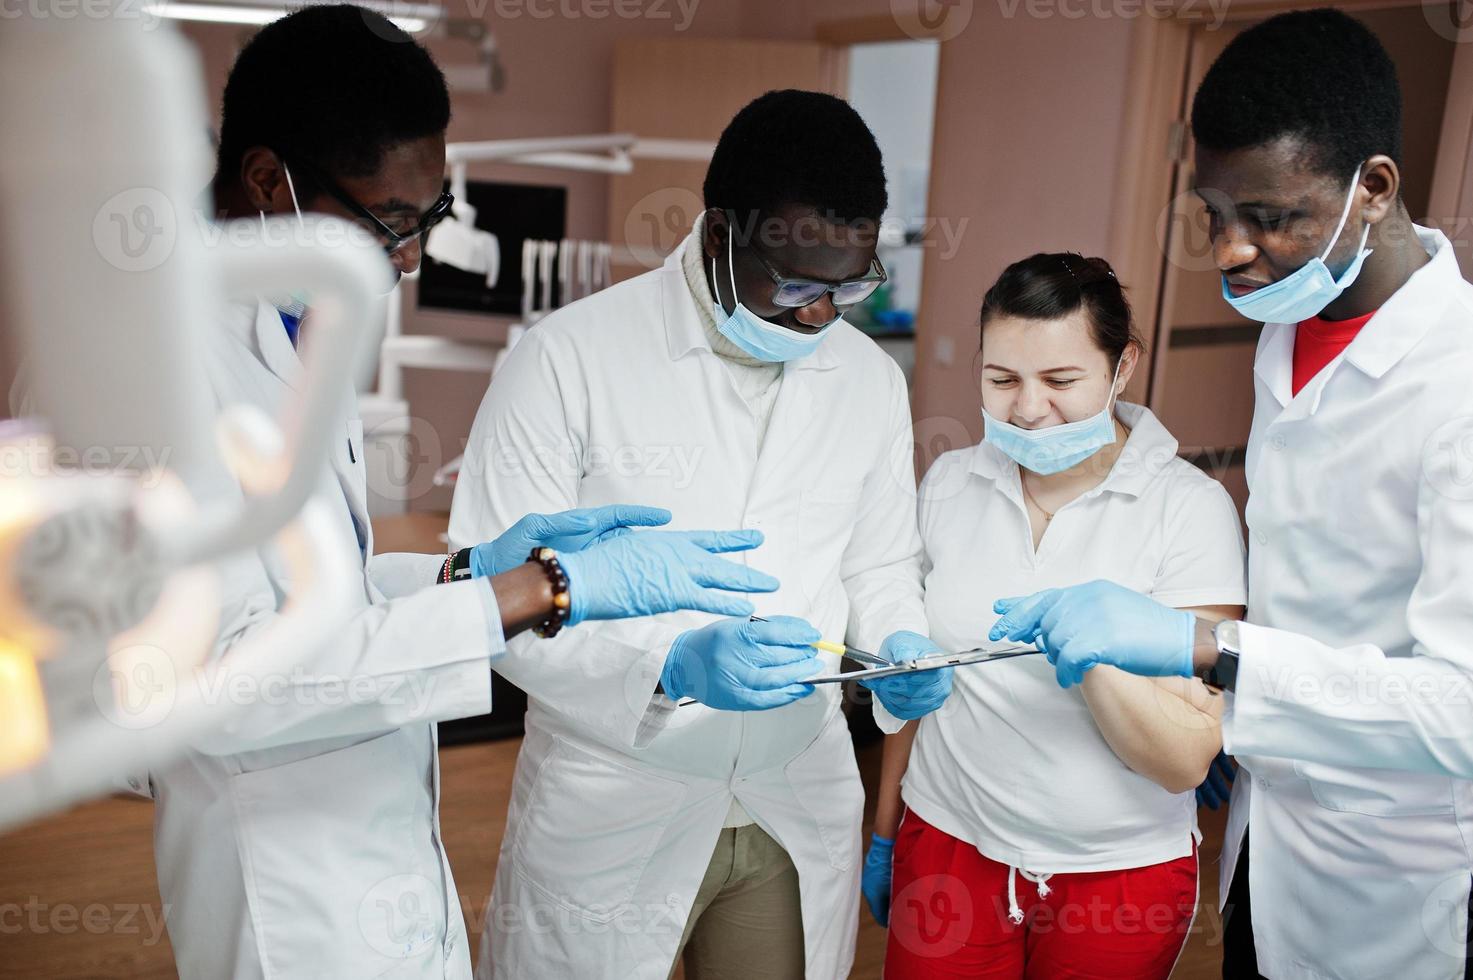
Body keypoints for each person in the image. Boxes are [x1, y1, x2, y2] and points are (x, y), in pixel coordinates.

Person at [39, 8, 790, 978]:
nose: (409, 258)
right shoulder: (153, 371)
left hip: (381, 843)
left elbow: (322, 586)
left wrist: (468, 567)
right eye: (394, 222)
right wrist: (536, 591)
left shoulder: (299, 315)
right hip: (286, 894)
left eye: (429, 220)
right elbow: (216, 683)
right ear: (271, 181)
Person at [991, 11, 1473, 979]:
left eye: (1271, 216)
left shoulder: (1457, 386)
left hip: (1399, 863)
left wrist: (1209, 649)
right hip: (1269, 819)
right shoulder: (1290, 324)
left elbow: (1460, 712)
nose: (1229, 251)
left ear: (1372, 189)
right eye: (1214, 212)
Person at [448, 89, 953, 980]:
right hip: (616, 793)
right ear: (718, 234)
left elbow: (876, 561)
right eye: (795, 283)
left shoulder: (868, 380)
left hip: (793, 789)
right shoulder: (567, 359)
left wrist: (899, 642)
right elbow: (489, 607)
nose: (818, 315)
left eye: (849, 285)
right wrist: (668, 668)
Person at [863, 253, 1245, 978]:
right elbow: (916, 682)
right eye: (1001, 379)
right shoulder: (950, 481)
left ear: (1122, 367)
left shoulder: (1188, 510)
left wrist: (1095, 654)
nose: (1028, 408)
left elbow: (1183, 761)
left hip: (1115, 876)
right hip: (946, 842)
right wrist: (887, 831)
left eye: (1061, 381)